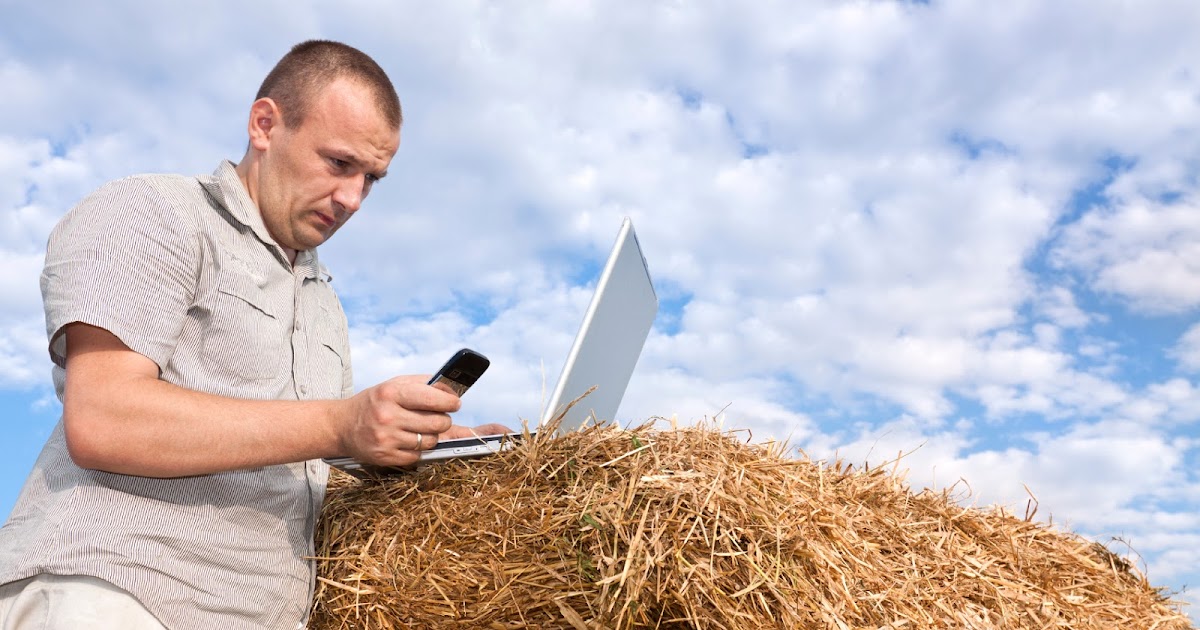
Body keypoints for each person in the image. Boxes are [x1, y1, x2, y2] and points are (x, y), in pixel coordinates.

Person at [0, 40, 509, 630]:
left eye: (372, 179)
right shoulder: (156, 211)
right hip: (115, 592)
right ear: (265, 124)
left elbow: (295, 452)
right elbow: (105, 417)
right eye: (339, 164)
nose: (352, 198)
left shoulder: (324, 304)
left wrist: (420, 440)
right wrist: (341, 421)